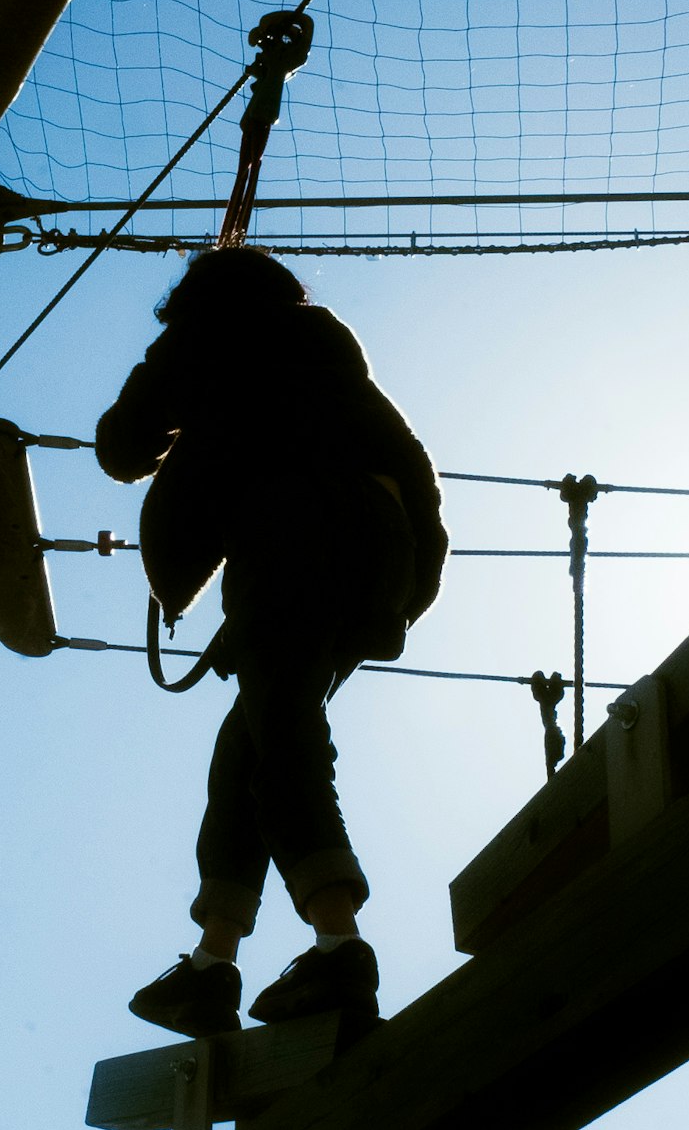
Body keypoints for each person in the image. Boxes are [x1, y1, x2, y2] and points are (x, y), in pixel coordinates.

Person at [95, 247, 445, 1037]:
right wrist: (404, 590)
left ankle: (338, 943)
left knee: (282, 734)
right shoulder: (328, 356)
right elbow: (415, 469)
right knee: (251, 742)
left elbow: (122, 445)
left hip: (286, 534)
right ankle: (212, 963)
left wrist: (172, 403)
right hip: (378, 555)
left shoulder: (207, 339)